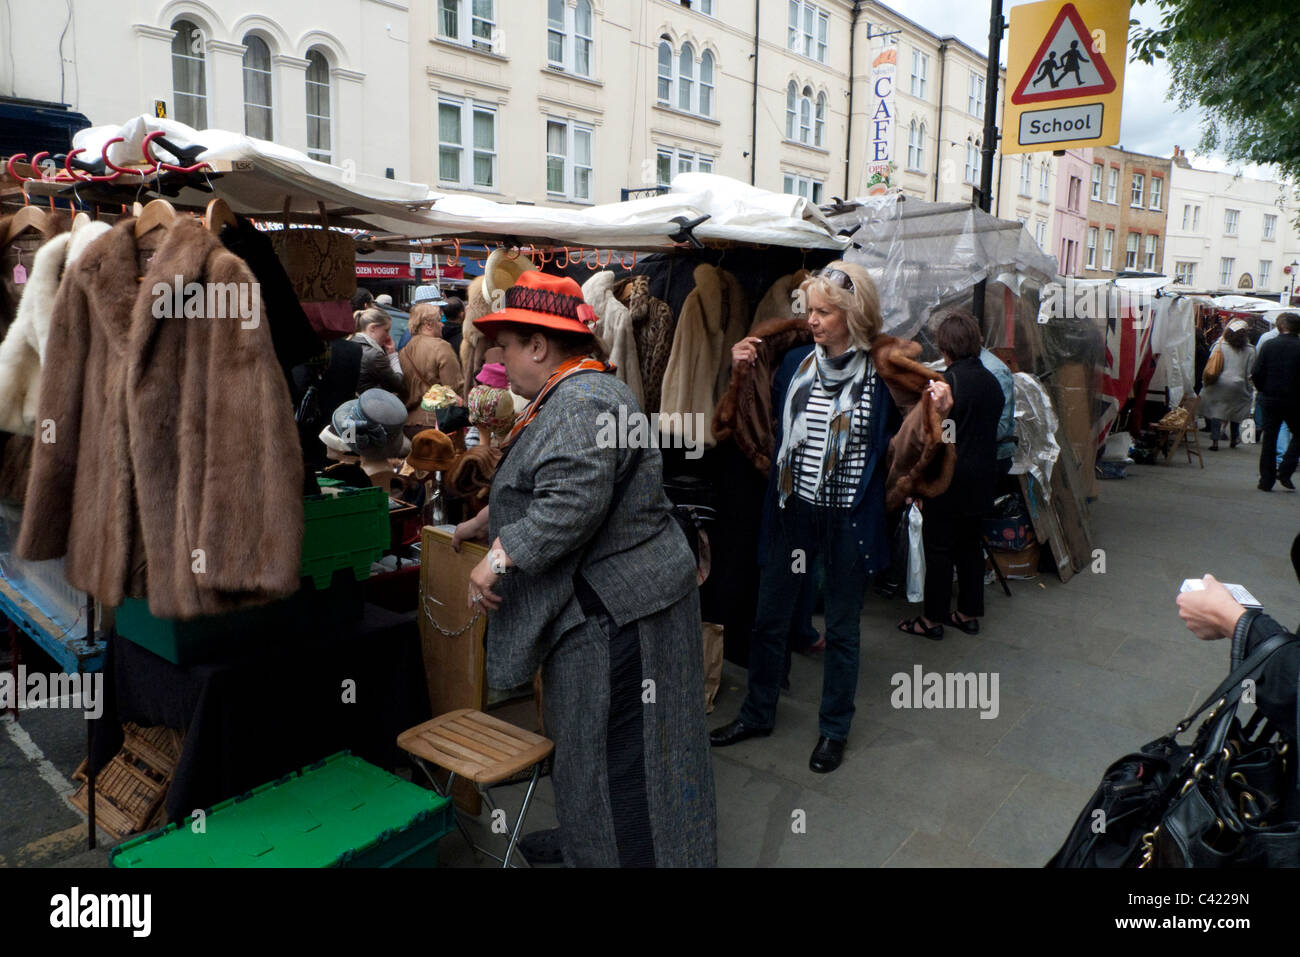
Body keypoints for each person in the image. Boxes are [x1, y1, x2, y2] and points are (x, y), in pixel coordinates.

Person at [451, 269, 716, 868]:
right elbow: (551, 481)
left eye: (509, 345)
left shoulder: (583, 399)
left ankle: (621, 856)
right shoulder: (577, 393)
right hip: (616, 606)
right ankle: (587, 843)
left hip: (622, 615)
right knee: (588, 745)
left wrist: (498, 558)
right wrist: (486, 522)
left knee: (622, 754)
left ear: (540, 346)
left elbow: (571, 501)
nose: (502, 356)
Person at [710, 262, 954, 774]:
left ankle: (834, 730)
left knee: (842, 631)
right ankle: (758, 712)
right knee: (769, 621)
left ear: (853, 314)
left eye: (825, 311)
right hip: (790, 510)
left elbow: (908, 444)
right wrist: (739, 368)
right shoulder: (795, 361)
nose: (813, 320)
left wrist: (939, 410)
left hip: (849, 519)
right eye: (810, 310)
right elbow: (759, 425)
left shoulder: (881, 375)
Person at [898, 311, 1004, 639]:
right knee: (971, 547)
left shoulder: (947, 385)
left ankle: (932, 619)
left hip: (950, 479)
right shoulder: (991, 382)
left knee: (940, 549)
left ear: (945, 348)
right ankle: (968, 613)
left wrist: (918, 482)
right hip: (983, 478)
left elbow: (942, 439)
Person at [398, 301, 464, 438]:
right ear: (428, 324)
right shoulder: (441, 346)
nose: (442, 324)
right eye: (439, 320)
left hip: (408, 422)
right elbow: (454, 388)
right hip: (436, 423)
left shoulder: (404, 351)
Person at [1251, 312, 1300, 490]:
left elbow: (1256, 372)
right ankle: (1286, 469)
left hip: (1270, 398)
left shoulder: (1269, 345)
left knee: (1269, 439)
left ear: (1280, 327)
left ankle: (1266, 480)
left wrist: (1263, 389)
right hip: (1295, 400)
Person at [1200, 319, 1255, 451]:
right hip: (1239, 385)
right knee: (1235, 412)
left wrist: (1205, 382)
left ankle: (1215, 442)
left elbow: (1210, 364)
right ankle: (1233, 439)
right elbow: (1249, 373)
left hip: (1218, 383)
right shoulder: (1250, 350)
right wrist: (1250, 389)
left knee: (1216, 412)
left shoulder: (1219, 345)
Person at [1255, 315, 1290, 466]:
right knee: (1285, 426)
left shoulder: (1267, 341)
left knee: (1270, 433)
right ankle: (1285, 461)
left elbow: (1257, 369)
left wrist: (1261, 388)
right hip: (1292, 395)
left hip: (1270, 393)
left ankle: (1267, 474)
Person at [980, 346, 1016, 476]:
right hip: (969, 455)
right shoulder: (952, 374)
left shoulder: (994, 371)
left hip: (991, 457)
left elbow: (1001, 426)